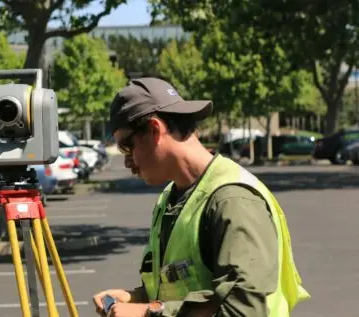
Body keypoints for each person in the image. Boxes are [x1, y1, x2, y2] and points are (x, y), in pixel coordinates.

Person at [92, 77, 310, 317]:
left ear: (154, 130)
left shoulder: (233, 201)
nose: (126, 161)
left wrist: (147, 312)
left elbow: (243, 310)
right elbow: (187, 292)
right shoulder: (170, 198)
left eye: (127, 146)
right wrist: (136, 298)